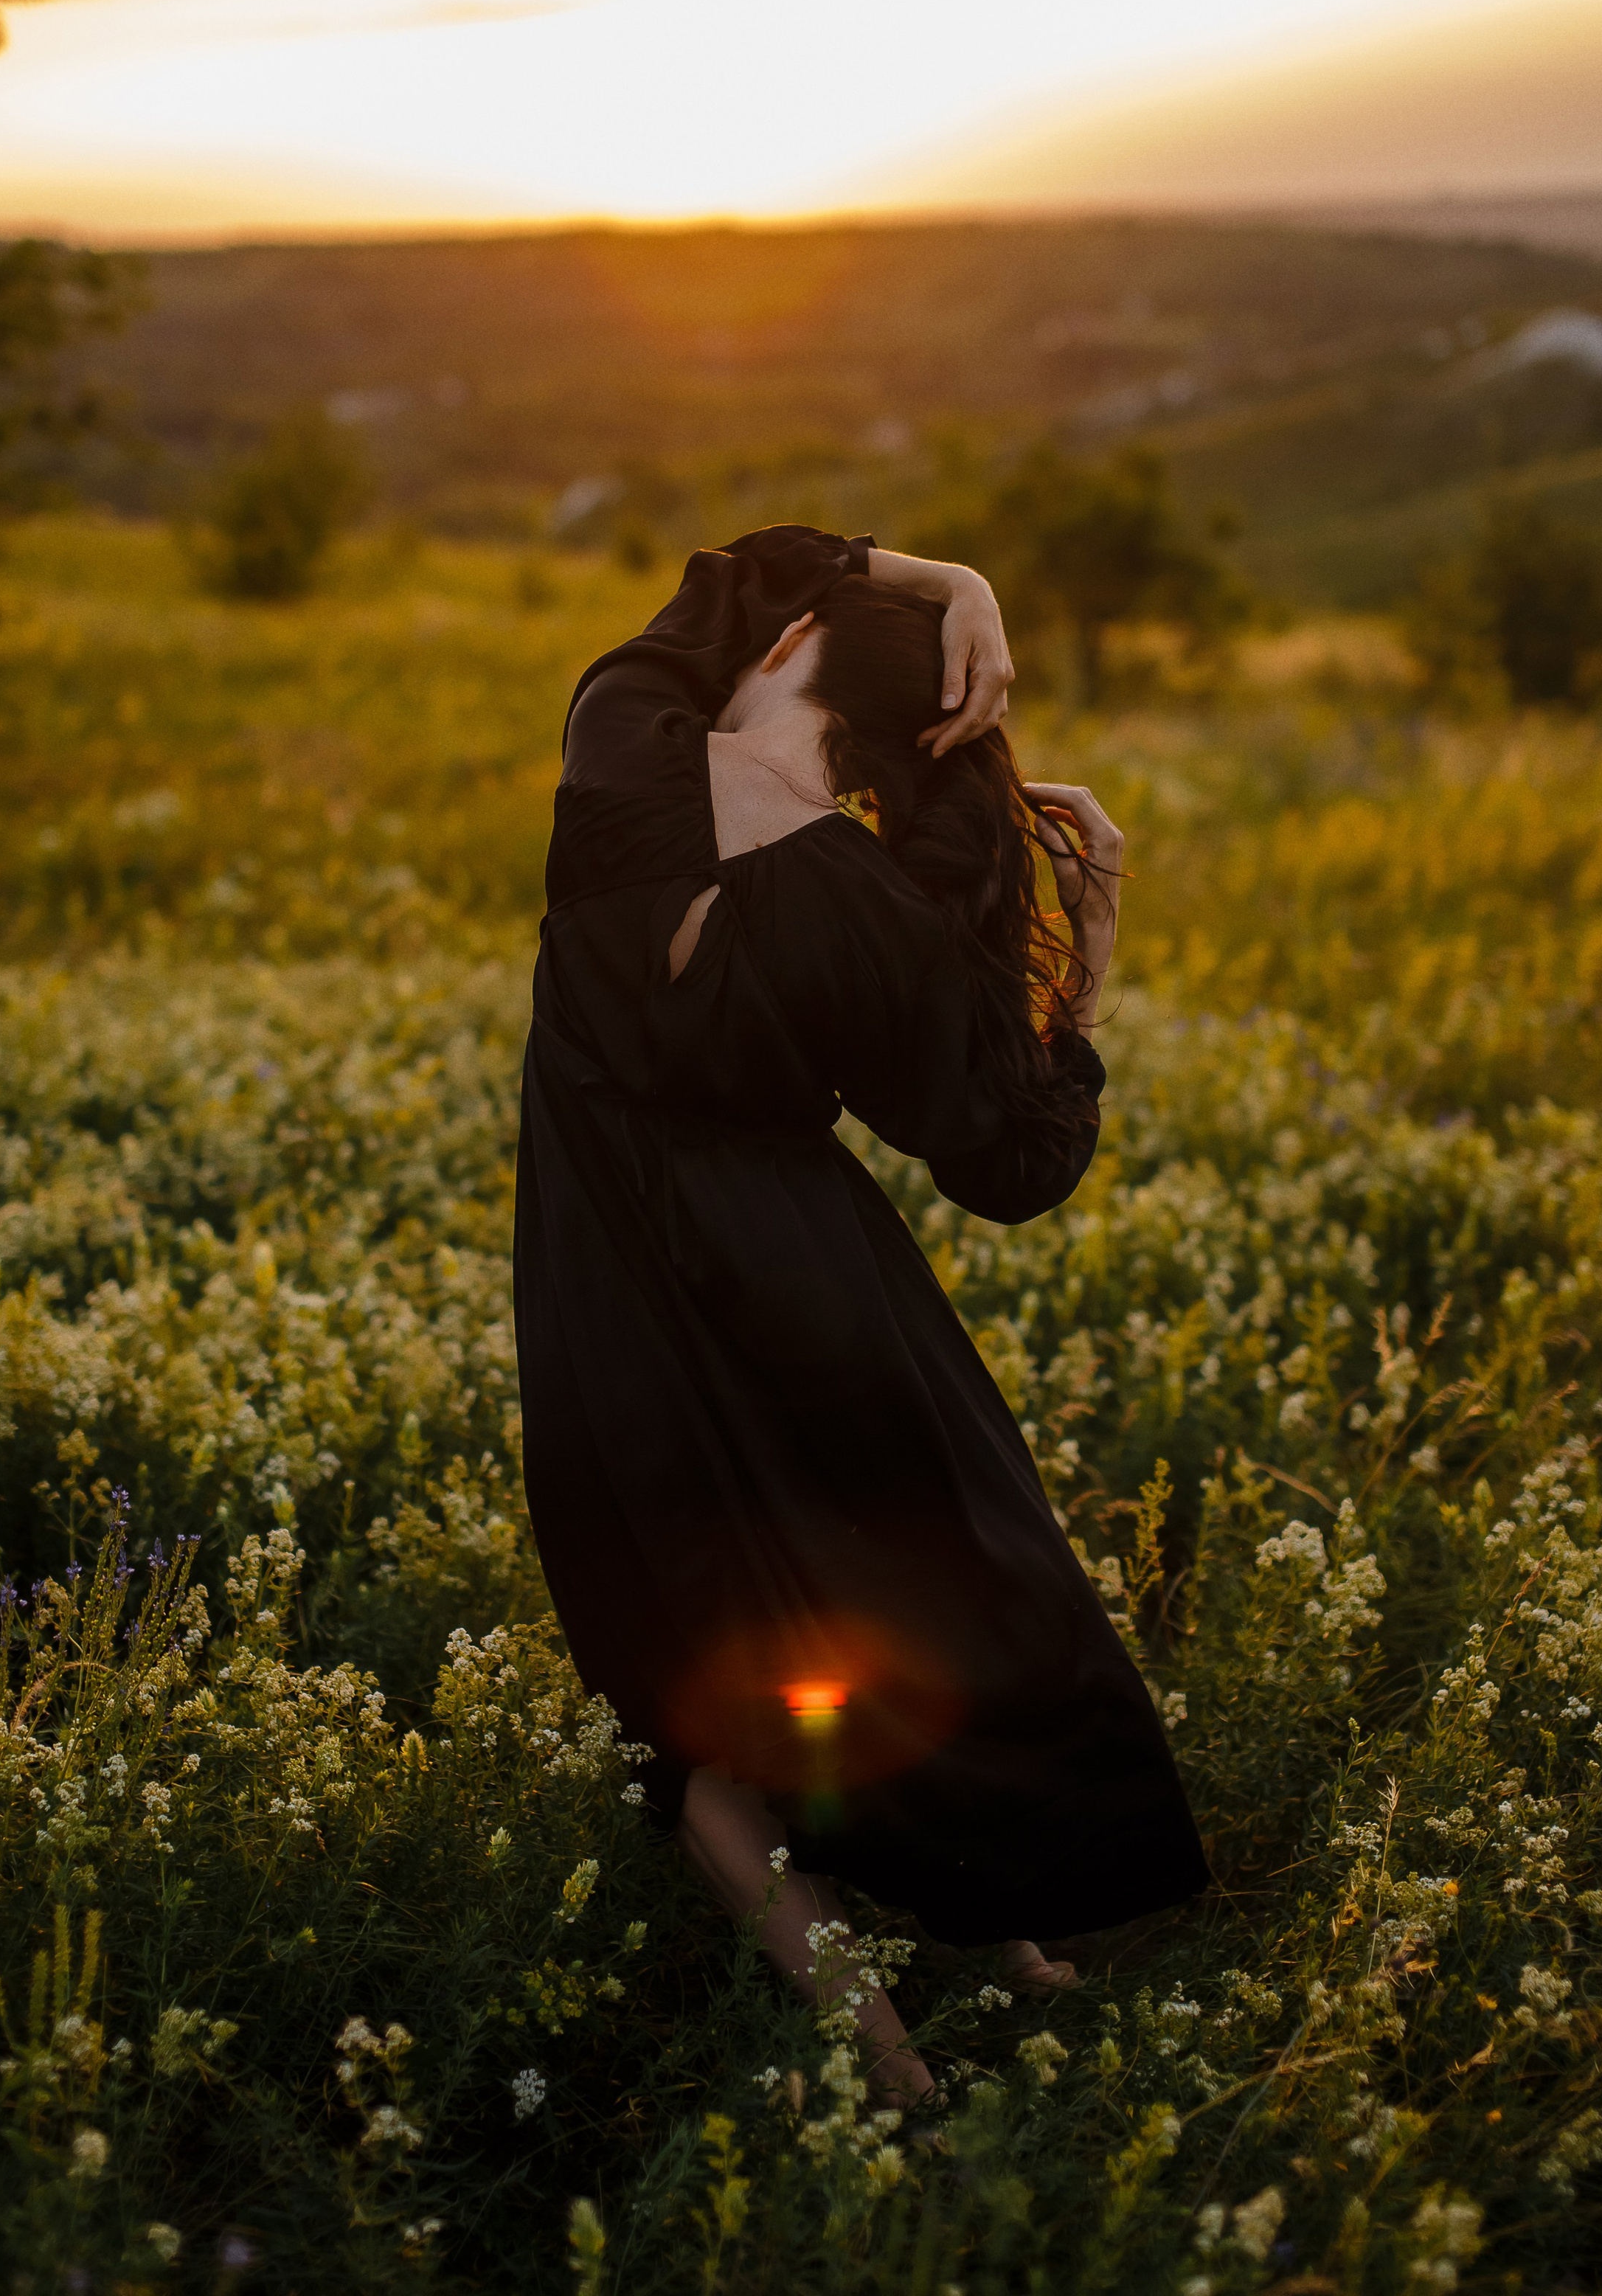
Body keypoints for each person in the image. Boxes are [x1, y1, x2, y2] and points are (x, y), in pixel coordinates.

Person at [513, 525, 1207, 2109]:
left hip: (606, 1287)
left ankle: (893, 2072)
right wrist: (1083, 969)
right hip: (803, 1275)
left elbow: (729, 569)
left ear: (772, 654)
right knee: (921, 1577)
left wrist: (957, 580)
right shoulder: (882, 911)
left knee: (681, 1656)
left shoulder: (616, 742)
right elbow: (1012, 1169)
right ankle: (1010, 1931)